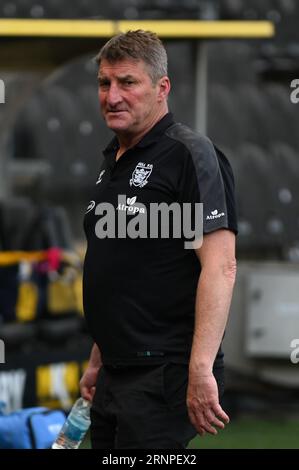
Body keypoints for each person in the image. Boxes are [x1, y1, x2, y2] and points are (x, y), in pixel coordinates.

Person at [80, 30, 237, 449]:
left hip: (163, 371)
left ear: (161, 88)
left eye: (127, 83)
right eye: (104, 83)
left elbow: (221, 267)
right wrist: (99, 360)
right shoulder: (112, 158)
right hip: (116, 370)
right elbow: (121, 269)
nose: (112, 96)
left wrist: (200, 370)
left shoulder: (189, 155)